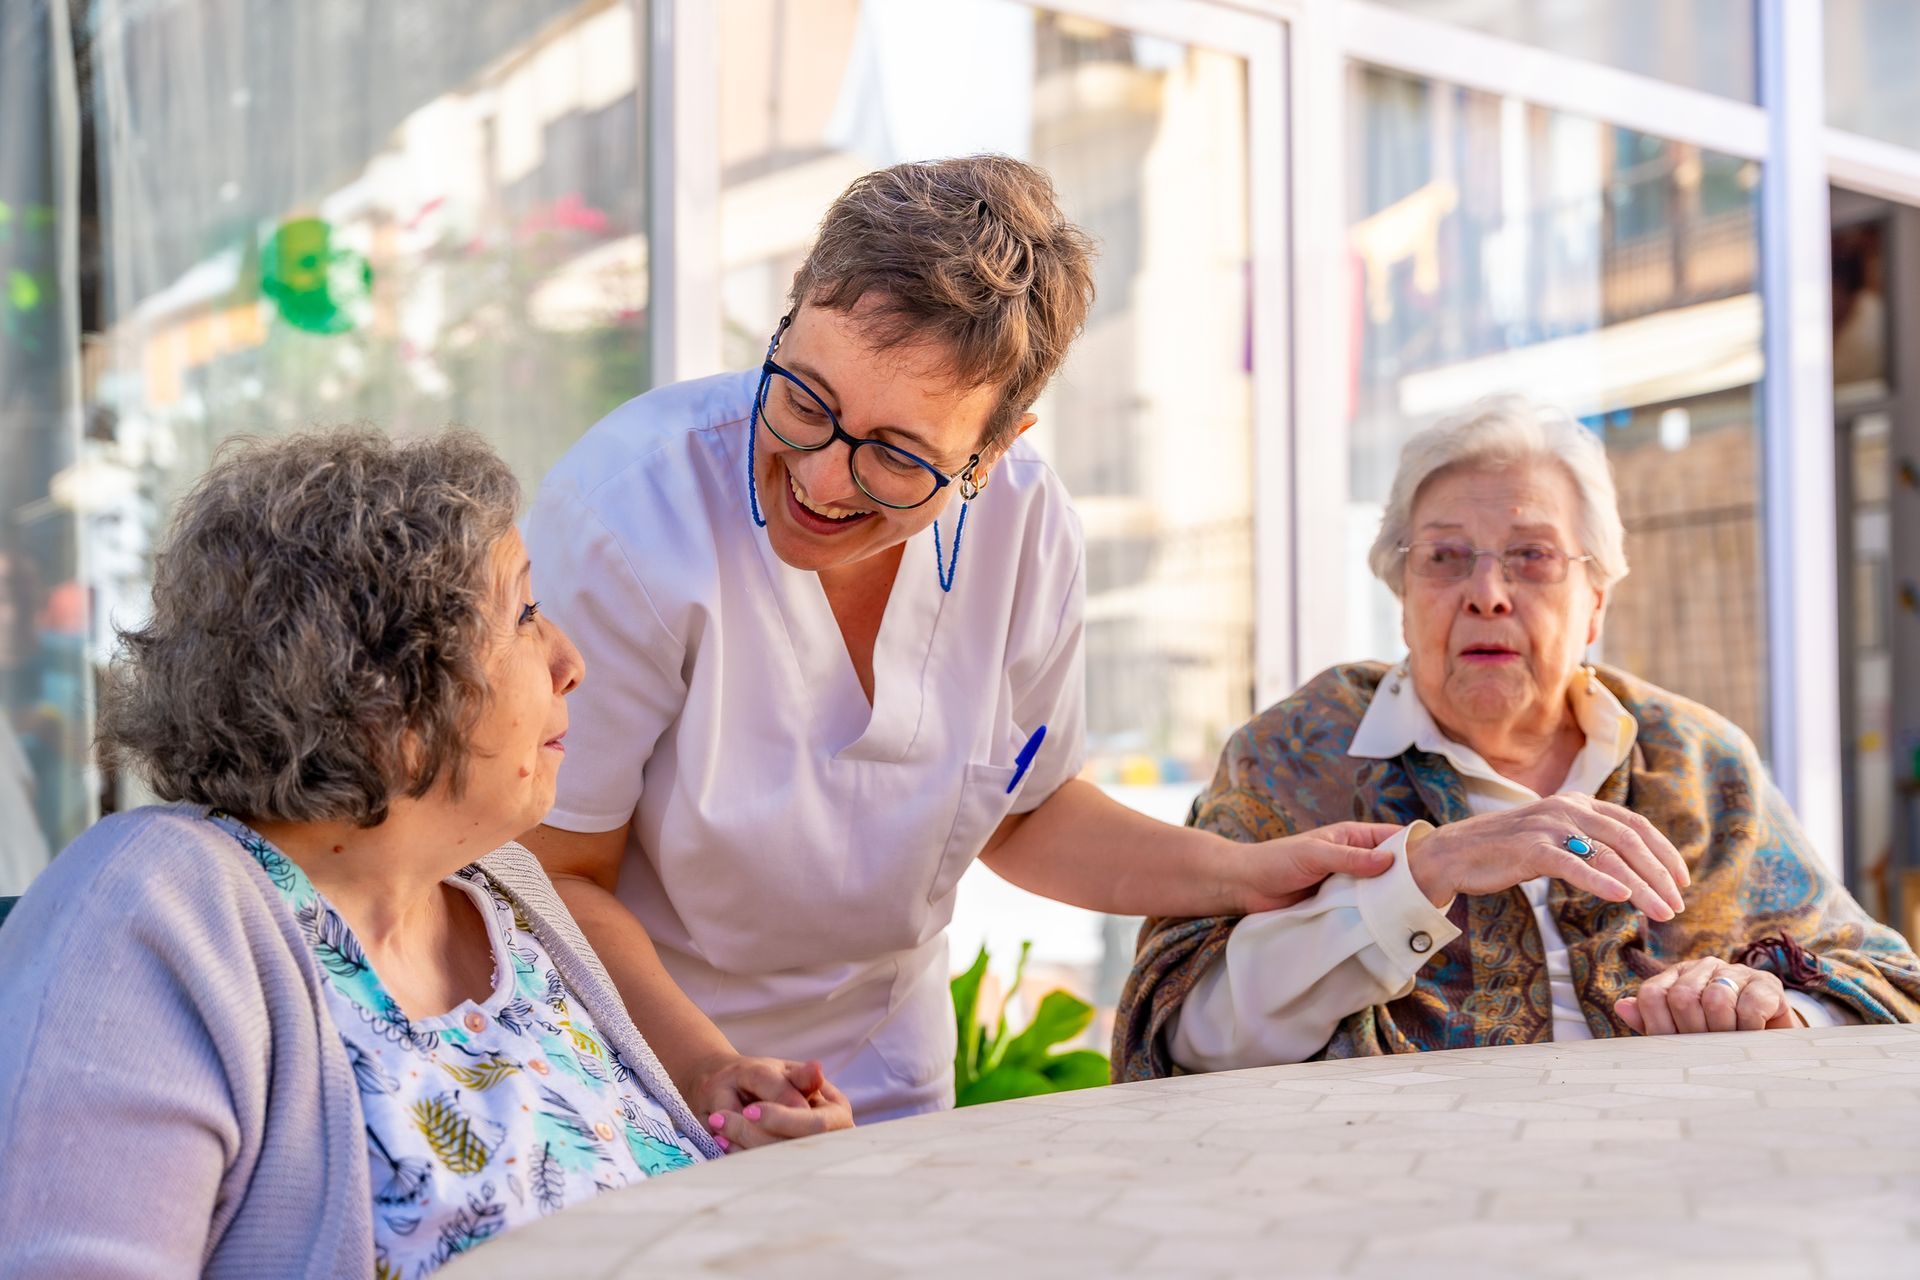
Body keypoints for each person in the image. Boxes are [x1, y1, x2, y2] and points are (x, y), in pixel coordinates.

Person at [521, 155, 1406, 1123]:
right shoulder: (626, 514)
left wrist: (1245, 871)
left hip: (886, 1066)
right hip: (635, 1060)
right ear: (786, 318)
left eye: (901, 455)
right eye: (805, 398)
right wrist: (707, 1069)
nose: (820, 479)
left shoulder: (1028, 526)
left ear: (996, 447)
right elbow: (558, 872)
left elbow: (1026, 814)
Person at [0, 430, 846, 1279]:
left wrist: (747, 1149)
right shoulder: (153, 907)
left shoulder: (503, 892)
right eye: (522, 615)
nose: (570, 662)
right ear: (385, 702)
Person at [1114, 397, 1920, 1077]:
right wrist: (1415, 876)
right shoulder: (1300, 750)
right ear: (1403, 595)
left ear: (1596, 599)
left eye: (1532, 557)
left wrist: (1774, 1009)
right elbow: (1188, 1033)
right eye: (1446, 557)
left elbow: (1888, 986)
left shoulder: (1695, 758)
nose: (1487, 594)